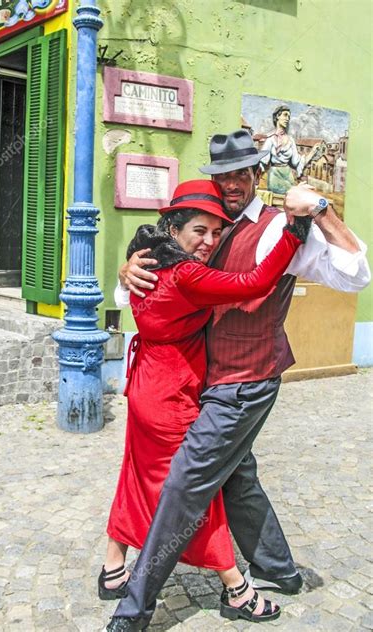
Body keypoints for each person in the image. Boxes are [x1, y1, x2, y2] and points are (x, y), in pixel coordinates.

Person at [107, 129, 370, 631]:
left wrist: (320, 210)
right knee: (238, 477)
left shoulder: (277, 229)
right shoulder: (205, 225)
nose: (231, 182)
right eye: (222, 173)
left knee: (185, 483)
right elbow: (149, 294)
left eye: (241, 172)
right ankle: (280, 571)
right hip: (201, 382)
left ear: (256, 173)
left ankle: (136, 605)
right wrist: (125, 276)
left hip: (246, 379)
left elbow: (355, 274)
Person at [101, 179, 311, 625]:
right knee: (196, 493)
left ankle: (112, 567)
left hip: (143, 385)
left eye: (217, 232)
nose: (210, 241)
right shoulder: (187, 275)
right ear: (174, 228)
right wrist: (295, 230)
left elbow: (130, 293)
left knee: (138, 476)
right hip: (174, 393)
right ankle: (235, 588)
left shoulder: (148, 260)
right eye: (200, 231)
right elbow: (255, 281)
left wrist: (124, 268)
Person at [259, 105, 322, 195]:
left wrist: (312, 152)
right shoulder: (270, 140)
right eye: (285, 115)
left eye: (289, 116)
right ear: (277, 116)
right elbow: (262, 161)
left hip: (288, 176)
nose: (287, 119)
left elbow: (297, 162)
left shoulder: (290, 140)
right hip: (275, 176)